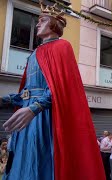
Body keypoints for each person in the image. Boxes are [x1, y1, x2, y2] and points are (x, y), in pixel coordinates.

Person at [0, 2, 105, 179]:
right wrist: (7, 100)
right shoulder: (35, 53)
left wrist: (35, 108)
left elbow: (61, 88)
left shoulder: (62, 47)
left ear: (54, 24)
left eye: (43, 20)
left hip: (44, 118)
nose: (38, 23)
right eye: (38, 20)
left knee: (41, 162)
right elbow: (27, 91)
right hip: (27, 120)